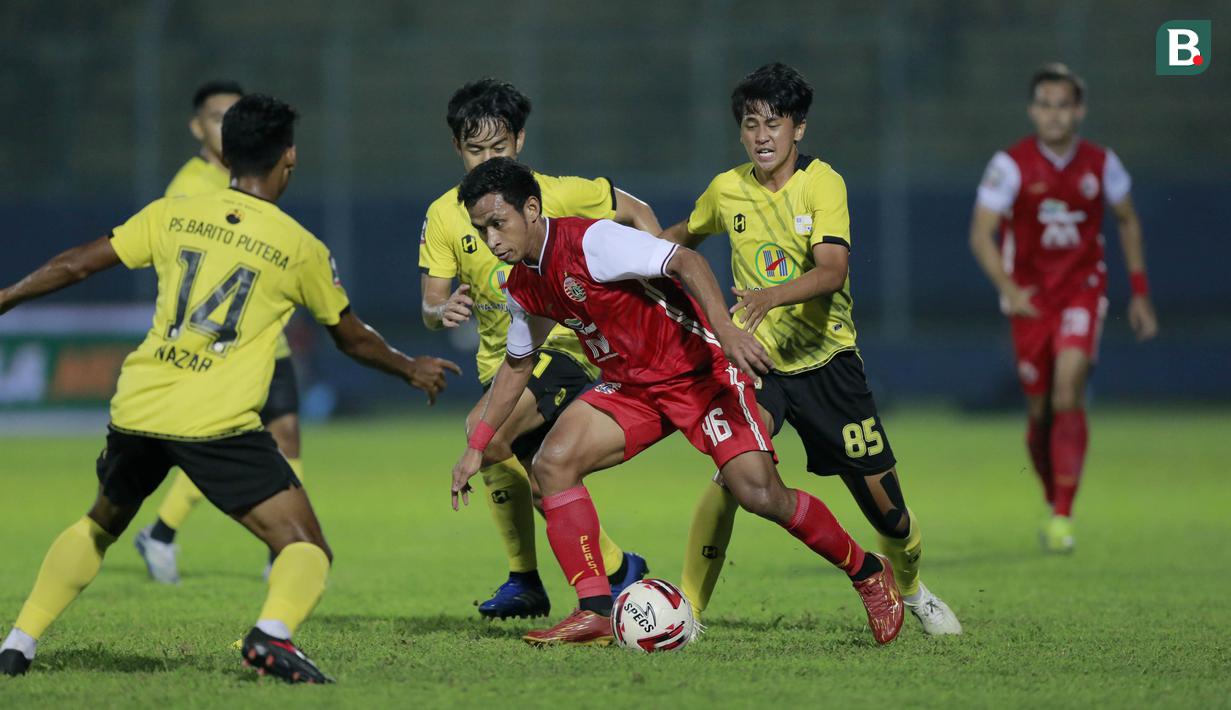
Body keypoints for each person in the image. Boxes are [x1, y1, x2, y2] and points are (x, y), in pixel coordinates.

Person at [0, 95, 459, 683]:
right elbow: (350, 338)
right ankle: (272, 636)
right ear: (288, 156)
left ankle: (19, 642)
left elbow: (78, 264)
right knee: (306, 546)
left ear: (228, 151)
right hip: (214, 422)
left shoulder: (173, 213)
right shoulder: (299, 247)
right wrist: (409, 367)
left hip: (139, 405)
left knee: (100, 523)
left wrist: (9, 296)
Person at [449, 157, 904, 647]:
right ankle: (595, 611)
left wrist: (725, 331)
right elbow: (518, 365)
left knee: (759, 495)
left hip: (700, 377)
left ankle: (868, 572)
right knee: (552, 463)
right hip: (631, 387)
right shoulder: (521, 283)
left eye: (499, 223)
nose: (492, 239)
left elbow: (686, 259)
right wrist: (479, 443)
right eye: (482, 229)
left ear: (531, 209)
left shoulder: (592, 241)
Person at [661, 62, 961, 635]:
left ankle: (912, 590)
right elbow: (681, 238)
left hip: (830, 369)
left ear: (799, 128)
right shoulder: (727, 190)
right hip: (761, 367)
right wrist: (617, 251)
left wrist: (771, 296)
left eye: (774, 123)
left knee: (891, 516)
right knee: (734, 476)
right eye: (751, 124)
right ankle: (689, 611)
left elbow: (832, 269)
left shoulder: (824, 182)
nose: (762, 135)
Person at [420, 79, 658, 618]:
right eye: (474, 149)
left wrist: (655, 268)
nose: (485, 160)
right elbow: (429, 305)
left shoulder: (557, 192)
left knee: (483, 433)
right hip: (499, 368)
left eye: (497, 148)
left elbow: (636, 209)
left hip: (564, 353)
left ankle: (533, 578)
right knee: (544, 488)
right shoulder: (443, 214)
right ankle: (614, 571)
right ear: (457, 148)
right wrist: (442, 311)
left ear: (519, 141)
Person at [969, 63, 1158, 552]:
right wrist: (1008, 288)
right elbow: (981, 232)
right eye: (1046, 105)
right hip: (1030, 301)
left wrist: (1139, 291)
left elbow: (1128, 220)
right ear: (1034, 110)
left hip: (1082, 290)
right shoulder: (1010, 165)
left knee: (1068, 388)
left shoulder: (1102, 163)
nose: (1055, 115)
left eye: (1064, 106)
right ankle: (1055, 497)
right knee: (1040, 410)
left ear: (1079, 111)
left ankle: (1063, 514)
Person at [134, 80, 309, 583]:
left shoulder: (252, 174)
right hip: (218, 345)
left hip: (264, 340)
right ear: (197, 127)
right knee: (214, 441)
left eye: (234, 117)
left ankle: (283, 548)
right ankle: (162, 532)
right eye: (216, 118)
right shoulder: (189, 187)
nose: (225, 126)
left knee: (287, 436)